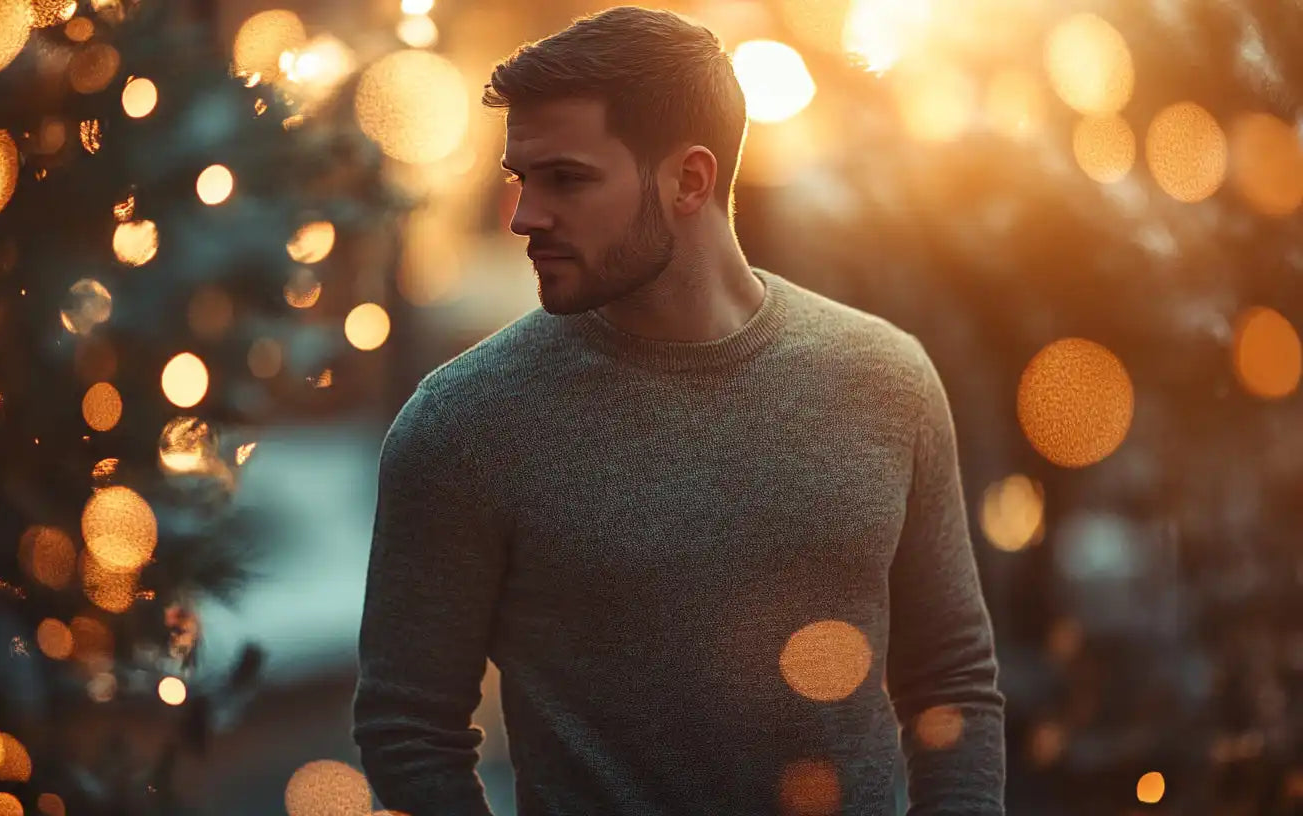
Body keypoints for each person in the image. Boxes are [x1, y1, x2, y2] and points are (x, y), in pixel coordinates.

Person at [351, 6, 1005, 814]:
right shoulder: (463, 428)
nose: (525, 217)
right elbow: (407, 726)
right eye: (522, 179)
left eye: (567, 178)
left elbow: (951, 680)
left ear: (690, 180)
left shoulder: (885, 379)